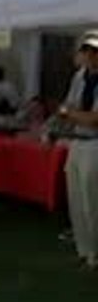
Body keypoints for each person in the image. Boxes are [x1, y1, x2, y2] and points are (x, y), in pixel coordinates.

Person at [60, 31, 98, 271]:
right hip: (77, 140)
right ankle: (84, 251)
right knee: (76, 200)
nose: (90, 55)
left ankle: (95, 254)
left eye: (93, 51)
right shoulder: (79, 77)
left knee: (91, 201)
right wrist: (72, 115)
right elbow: (67, 106)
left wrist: (71, 114)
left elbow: (94, 119)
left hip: (94, 143)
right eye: (86, 50)